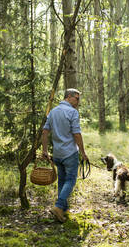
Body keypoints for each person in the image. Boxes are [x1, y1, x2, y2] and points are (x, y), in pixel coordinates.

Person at [42, 88, 89, 222]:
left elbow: (45, 132)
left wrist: (45, 150)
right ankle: (58, 206)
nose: (78, 102)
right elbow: (76, 134)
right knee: (70, 180)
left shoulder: (53, 112)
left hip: (57, 153)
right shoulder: (72, 112)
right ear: (69, 97)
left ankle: (63, 209)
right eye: (77, 98)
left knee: (62, 180)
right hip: (69, 153)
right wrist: (83, 152)